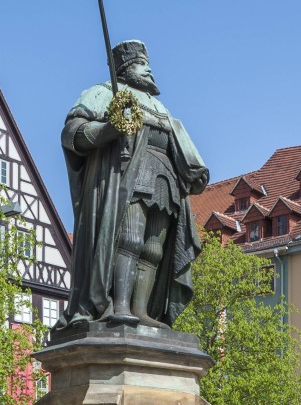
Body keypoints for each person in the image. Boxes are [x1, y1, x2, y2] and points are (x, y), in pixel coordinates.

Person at [61, 40, 210, 329]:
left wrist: (192, 170)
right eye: (142, 65)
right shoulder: (103, 94)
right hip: (130, 176)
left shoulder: (159, 106)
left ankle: (142, 310)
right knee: (130, 239)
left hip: (166, 180)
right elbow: (73, 133)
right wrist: (108, 130)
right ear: (125, 69)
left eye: (148, 64)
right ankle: (119, 306)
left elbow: (179, 144)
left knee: (154, 248)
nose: (149, 70)